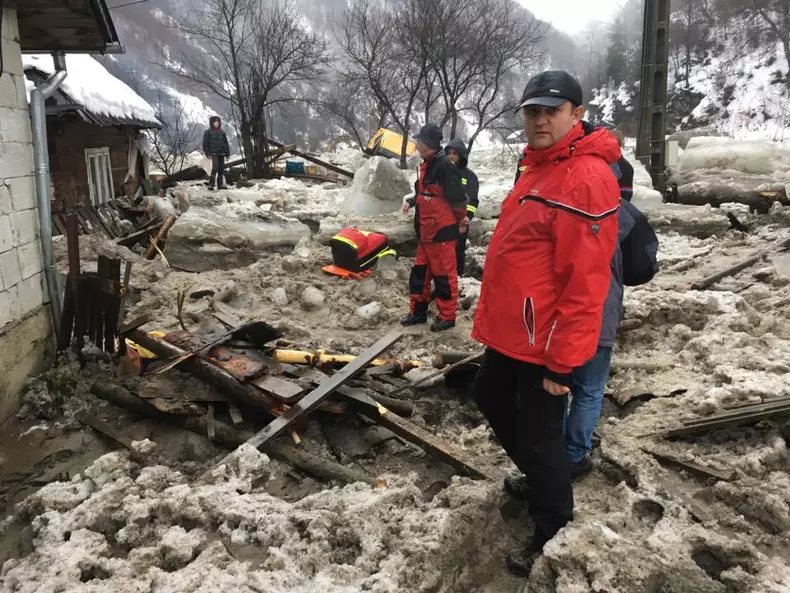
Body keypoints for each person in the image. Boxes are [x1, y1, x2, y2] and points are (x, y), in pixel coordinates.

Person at [471, 70, 621, 577]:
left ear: (575, 115)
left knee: (542, 438)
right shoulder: (538, 166)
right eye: (532, 110)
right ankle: (541, 477)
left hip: (542, 341)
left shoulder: (584, 176)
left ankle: (552, 527)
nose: (539, 119)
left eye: (550, 110)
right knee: (489, 395)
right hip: (512, 330)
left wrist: (563, 362)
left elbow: (586, 283)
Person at [401, 123, 468, 332]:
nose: (416, 144)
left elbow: (458, 199)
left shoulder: (444, 166)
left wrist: (462, 219)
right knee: (419, 274)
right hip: (425, 232)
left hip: (441, 232)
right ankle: (418, 313)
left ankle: (447, 316)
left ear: (426, 144)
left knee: (443, 277)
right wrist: (412, 201)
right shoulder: (426, 164)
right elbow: (423, 192)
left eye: (418, 141)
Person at [445, 139, 479, 275]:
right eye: (448, 153)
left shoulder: (470, 176)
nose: (451, 156)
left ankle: (458, 276)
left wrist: (466, 219)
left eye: (454, 153)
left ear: (461, 155)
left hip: (460, 222)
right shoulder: (443, 174)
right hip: (443, 219)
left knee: (458, 250)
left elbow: (473, 201)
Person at [202, 116, 230, 190]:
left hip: (222, 153)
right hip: (213, 153)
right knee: (215, 167)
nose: (216, 124)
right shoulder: (208, 132)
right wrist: (207, 153)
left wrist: (227, 154)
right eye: (215, 122)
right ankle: (211, 184)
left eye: (218, 122)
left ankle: (220, 185)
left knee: (221, 169)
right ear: (212, 123)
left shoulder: (222, 132)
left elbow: (226, 144)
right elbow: (205, 143)